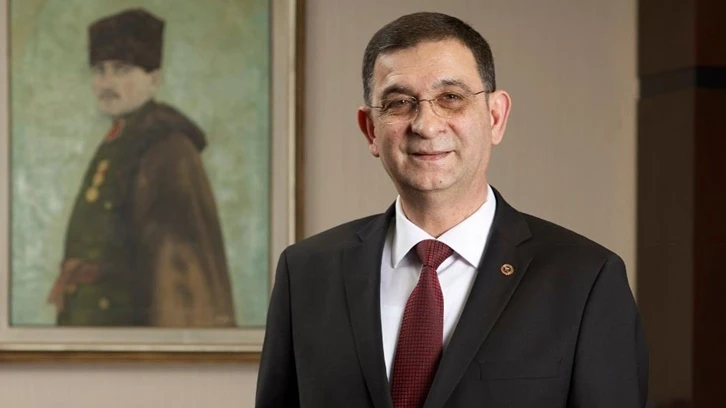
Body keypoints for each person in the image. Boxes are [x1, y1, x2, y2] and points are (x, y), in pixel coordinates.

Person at [256, 11, 648, 408]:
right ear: (371, 129)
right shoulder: (305, 273)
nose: (426, 125)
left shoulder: (585, 279)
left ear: (495, 117)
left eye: (451, 98)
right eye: (399, 102)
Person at [46, 8, 236, 327]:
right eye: (99, 70)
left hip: (134, 339)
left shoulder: (167, 149)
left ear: (154, 79)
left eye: (121, 69)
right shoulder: (120, 142)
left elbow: (181, 275)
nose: (106, 82)